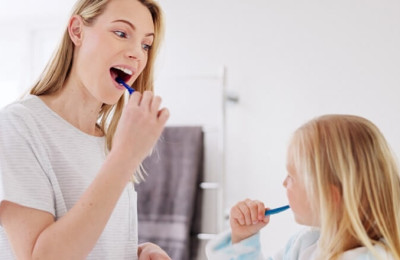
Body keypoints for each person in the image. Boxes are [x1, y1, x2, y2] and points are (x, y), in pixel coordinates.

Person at [0, 0, 171, 259]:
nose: (137, 53)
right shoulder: (19, 126)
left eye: (145, 45)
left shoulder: (109, 141)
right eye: (121, 33)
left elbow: (89, 242)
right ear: (77, 31)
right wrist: (124, 157)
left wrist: (135, 252)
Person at [206, 114, 400, 259]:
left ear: (329, 196)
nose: (284, 183)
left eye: (291, 176)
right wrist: (243, 238)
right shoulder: (306, 244)